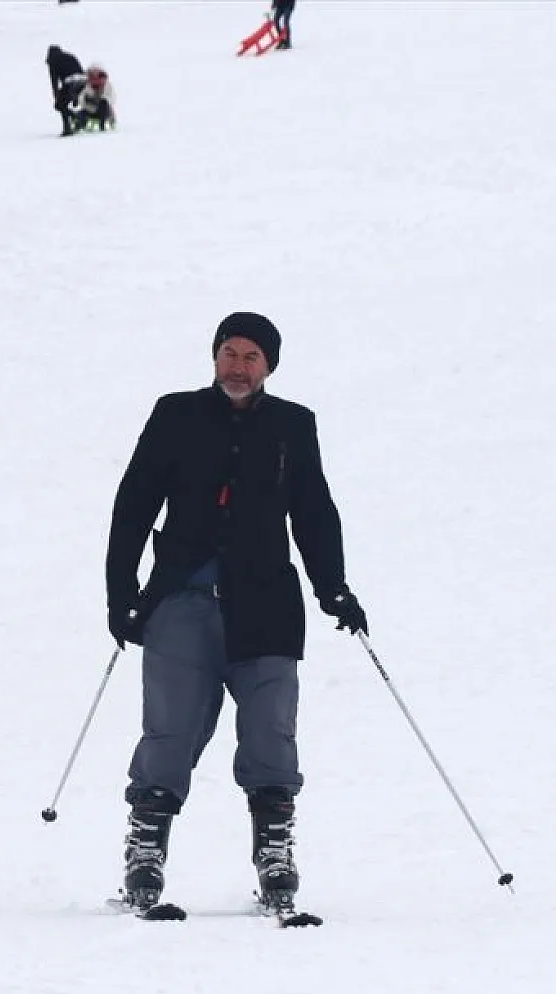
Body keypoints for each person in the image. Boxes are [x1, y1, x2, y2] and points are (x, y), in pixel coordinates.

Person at [104, 312, 366, 913]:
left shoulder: (292, 426)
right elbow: (134, 504)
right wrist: (121, 593)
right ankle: (145, 854)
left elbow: (314, 511)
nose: (238, 366)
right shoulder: (176, 414)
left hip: (267, 603)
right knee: (169, 730)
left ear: (269, 365)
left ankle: (274, 852)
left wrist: (334, 589)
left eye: (250, 356)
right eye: (228, 353)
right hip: (181, 600)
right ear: (214, 358)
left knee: (272, 727)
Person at [45, 45, 85, 137]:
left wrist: (56, 95)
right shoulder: (70, 56)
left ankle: (69, 127)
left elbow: (54, 80)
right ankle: (76, 118)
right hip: (82, 81)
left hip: (70, 82)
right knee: (64, 104)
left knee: (59, 105)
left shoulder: (53, 61)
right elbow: (80, 70)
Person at [72, 63, 115, 132]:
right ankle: (78, 126)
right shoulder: (87, 86)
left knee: (103, 103)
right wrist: (87, 100)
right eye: (92, 75)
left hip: (104, 112)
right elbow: (81, 99)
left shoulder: (107, 86)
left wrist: (98, 101)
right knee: (80, 114)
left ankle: (102, 126)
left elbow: (111, 99)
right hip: (90, 110)